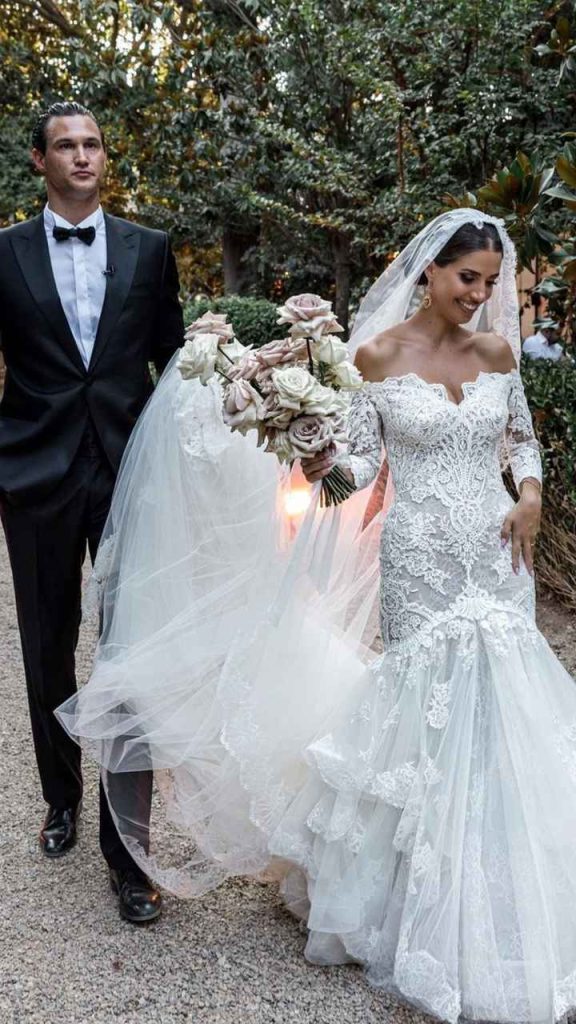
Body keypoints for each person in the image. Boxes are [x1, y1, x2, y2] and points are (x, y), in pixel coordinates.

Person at [58, 210, 576, 1023]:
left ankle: (508, 874)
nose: (479, 294)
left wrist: (534, 500)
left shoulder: (500, 354)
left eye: (488, 280)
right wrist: (317, 457)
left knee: (505, 698)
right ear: (430, 273)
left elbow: (522, 445)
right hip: (418, 562)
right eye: (466, 277)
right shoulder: (376, 358)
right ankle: (418, 889)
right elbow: (363, 470)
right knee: (425, 707)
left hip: (492, 554)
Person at [0, 101, 184, 923]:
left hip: (127, 473)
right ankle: (61, 798)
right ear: (38, 161)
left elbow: (178, 365)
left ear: (106, 157)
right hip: (34, 474)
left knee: (133, 656)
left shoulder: (150, 250)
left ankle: (127, 851)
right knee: (46, 645)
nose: (82, 156)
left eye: (93, 144)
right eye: (66, 146)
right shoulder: (3, 253)